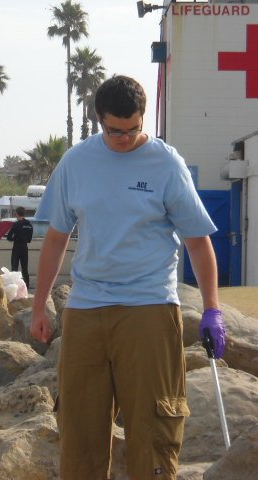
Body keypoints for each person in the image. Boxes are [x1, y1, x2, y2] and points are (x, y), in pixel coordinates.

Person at [30, 75, 225, 479]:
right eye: (114, 130)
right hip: (86, 311)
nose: (123, 138)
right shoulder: (76, 163)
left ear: (143, 119)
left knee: (153, 433)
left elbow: (197, 242)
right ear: (98, 119)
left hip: (149, 309)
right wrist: (39, 306)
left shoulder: (166, 163)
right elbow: (55, 239)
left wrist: (212, 310)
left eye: (133, 129)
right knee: (79, 433)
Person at [6, 206, 33, 288]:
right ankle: (26, 287)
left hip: (17, 247)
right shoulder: (29, 225)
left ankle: (14, 287)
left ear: (16, 214)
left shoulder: (16, 224)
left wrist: (15, 238)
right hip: (25, 248)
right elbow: (29, 239)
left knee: (14, 268)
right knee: (25, 268)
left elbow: (9, 237)